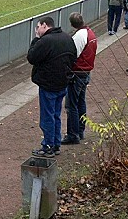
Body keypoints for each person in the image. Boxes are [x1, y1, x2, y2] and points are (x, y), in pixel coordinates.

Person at [27, 16, 77, 157]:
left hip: (48, 84)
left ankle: (48, 145)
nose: (37, 30)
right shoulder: (67, 38)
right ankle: (55, 144)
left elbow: (31, 57)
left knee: (47, 116)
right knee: (56, 114)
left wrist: (36, 39)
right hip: (62, 83)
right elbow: (73, 57)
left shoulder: (45, 41)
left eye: (38, 27)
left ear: (44, 25)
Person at [62, 12, 97, 145]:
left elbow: (73, 55)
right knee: (81, 103)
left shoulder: (79, 36)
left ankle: (73, 134)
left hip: (77, 74)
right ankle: (80, 131)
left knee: (72, 105)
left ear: (72, 24)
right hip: (85, 72)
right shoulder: (90, 33)